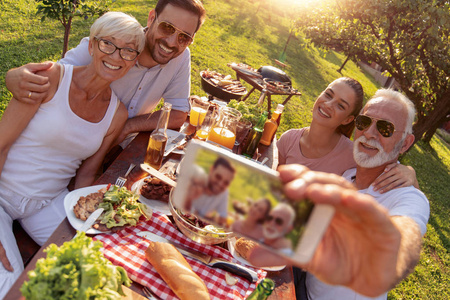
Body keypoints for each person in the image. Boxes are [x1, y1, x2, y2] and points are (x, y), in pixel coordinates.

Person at [0, 12, 145, 298]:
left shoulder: (117, 113)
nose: (116, 55)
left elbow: (87, 174)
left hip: (46, 204)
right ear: (91, 46)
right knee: (13, 286)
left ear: (134, 60)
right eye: (108, 44)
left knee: (94, 265)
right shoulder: (50, 79)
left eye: (128, 50)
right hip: (1, 195)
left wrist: (87, 224)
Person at [248, 89, 429, 299]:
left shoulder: (408, 198)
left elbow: (404, 239)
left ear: (405, 143)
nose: (369, 133)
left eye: (385, 128)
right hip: (301, 284)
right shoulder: (349, 173)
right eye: (364, 122)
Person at [5, 0, 207, 149]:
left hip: (118, 148)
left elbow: (179, 114)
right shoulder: (113, 41)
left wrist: (127, 126)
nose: (172, 42)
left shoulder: (181, 56)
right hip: (73, 142)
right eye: (167, 27)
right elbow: (54, 76)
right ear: (152, 18)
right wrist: (12, 76)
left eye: (184, 37)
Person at [277, 77, 418, 193]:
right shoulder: (289, 138)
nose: (328, 104)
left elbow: (383, 169)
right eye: (328, 94)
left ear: (348, 119)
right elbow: (275, 182)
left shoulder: (355, 155)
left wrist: (411, 174)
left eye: (341, 106)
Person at [188, 157, 236, 224]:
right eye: (218, 177)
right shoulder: (196, 180)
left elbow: (222, 215)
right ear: (211, 170)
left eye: (226, 182)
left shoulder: (224, 192)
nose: (220, 184)